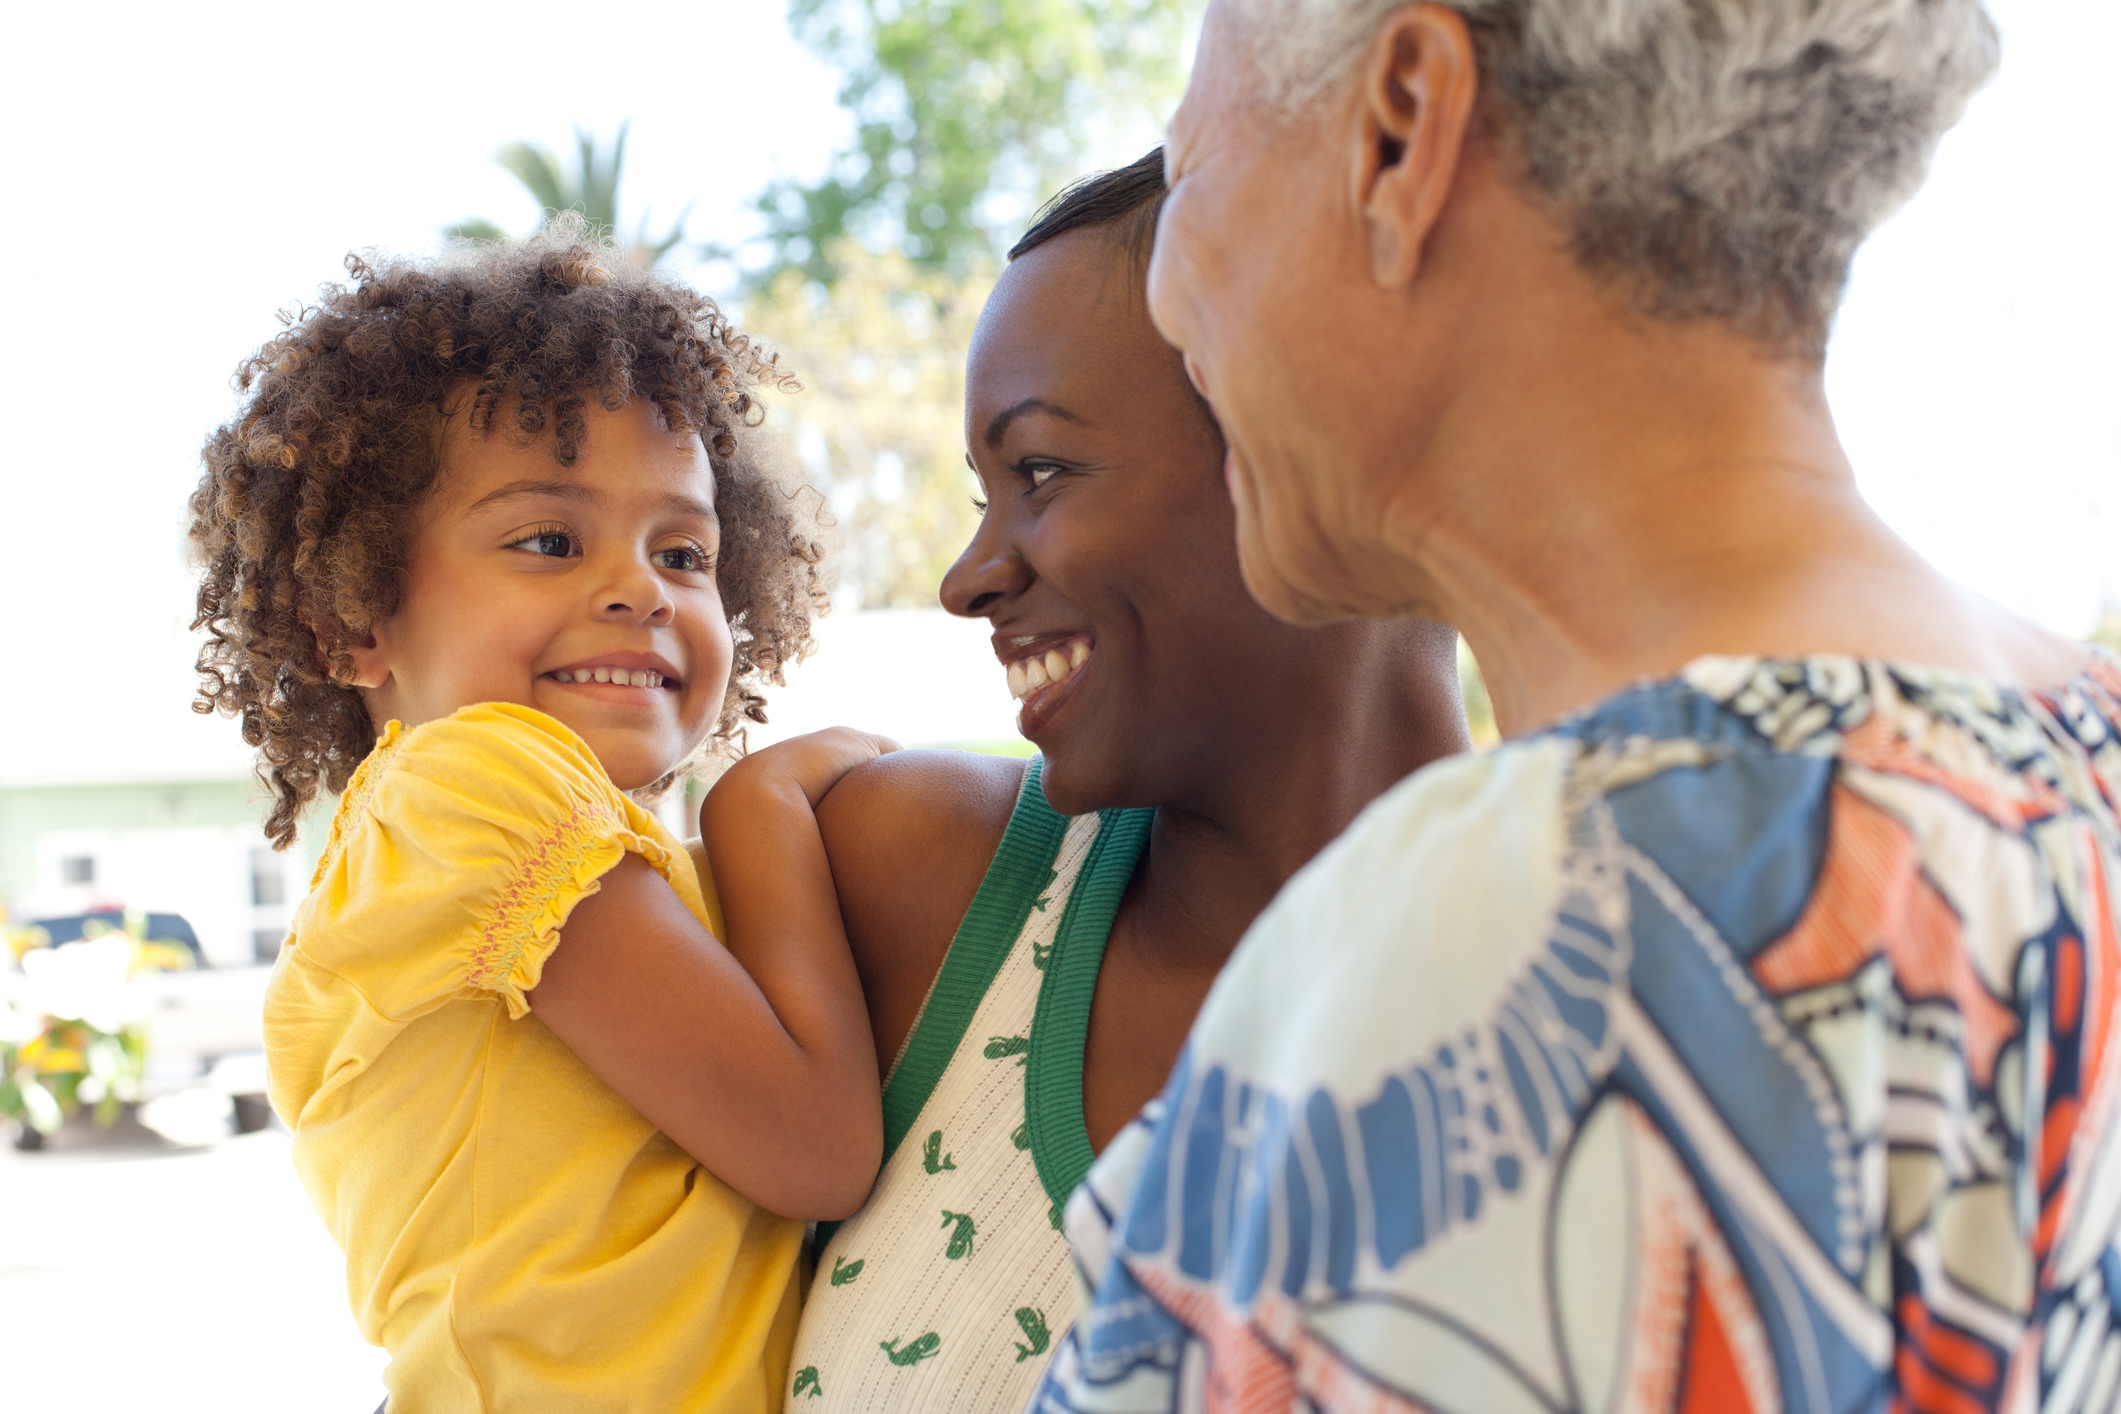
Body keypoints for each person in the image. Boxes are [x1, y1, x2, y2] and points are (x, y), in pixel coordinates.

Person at [1041, 3, 2121, 1411]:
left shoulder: (1516, 923)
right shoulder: (2078, 756)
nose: (1171, 301)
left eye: (1188, 177)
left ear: (1400, 128)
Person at [779, 151, 1469, 1409]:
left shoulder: (1621, 1008)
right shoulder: (922, 882)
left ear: (1312, 443)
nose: (968, 574)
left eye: (1038, 471)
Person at [189, 222, 894, 1412]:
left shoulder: (470, 844)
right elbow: (818, 1151)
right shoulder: (473, 790)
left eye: (685, 550)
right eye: (549, 540)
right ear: (354, 619)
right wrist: (763, 801)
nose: (639, 587)